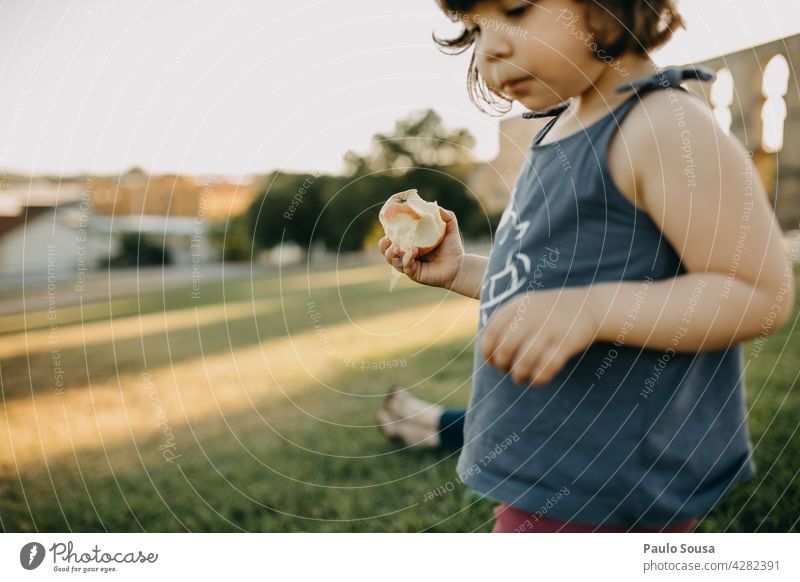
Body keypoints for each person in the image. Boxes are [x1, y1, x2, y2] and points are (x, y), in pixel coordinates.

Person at [378, 0, 796, 533]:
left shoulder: (661, 126)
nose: (489, 48)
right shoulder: (558, 128)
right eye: (475, 28)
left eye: (516, 9)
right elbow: (549, 284)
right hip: (550, 474)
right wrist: (462, 270)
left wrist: (596, 309)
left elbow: (759, 291)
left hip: (608, 488)